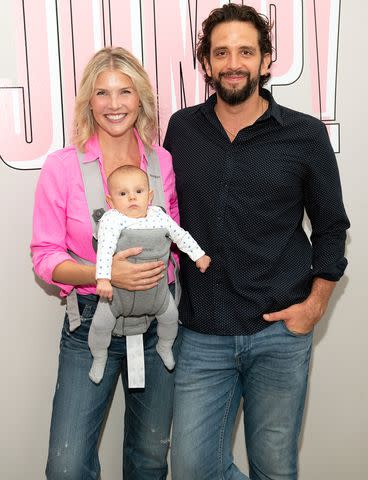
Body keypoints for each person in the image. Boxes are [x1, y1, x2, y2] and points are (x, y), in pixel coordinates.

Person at [163, 3, 350, 480]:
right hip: (202, 333)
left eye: (246, 51)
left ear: (267, 61)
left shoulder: (305, 135)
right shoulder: (181, 130)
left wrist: (314, 307)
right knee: (189, 469)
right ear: (205, 64)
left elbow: (331, 226)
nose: (233, 63)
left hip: (280, 335)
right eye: (221, 52)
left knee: (274, 469)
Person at [31, 46, 181, 479]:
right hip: (90, 324)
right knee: (66, 465)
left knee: (150, 458)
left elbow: (173, 234)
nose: (114, 104)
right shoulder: (61, 167)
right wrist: (105, 273)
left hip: (158, 323)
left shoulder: (162, 162)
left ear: (141, 99)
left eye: (124, 92)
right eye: (102, 93)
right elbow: (45, 255)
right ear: (88, 101)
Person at [89, 164, 210, 383]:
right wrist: (104, 279)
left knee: (171, 317)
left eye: (139, 191)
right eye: (123, 194)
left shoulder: (158, 216)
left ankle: (164, 347)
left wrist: (198, 255)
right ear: (111, 201)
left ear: (150, 195)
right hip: (117, 297)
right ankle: (99, 356)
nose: (132, 198)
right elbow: (105, 251)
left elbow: (180, 236)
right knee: (100, 324)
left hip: (157, 295)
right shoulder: (112, 219)